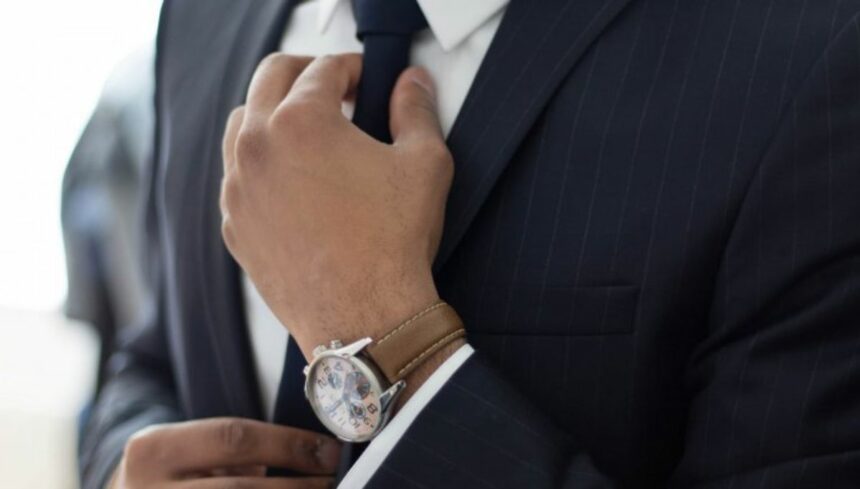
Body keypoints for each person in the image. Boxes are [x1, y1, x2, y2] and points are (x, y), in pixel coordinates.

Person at [80, 0, 860, 488]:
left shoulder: (811, 56)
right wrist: (122, 469)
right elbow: (151, 354)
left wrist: (385, 334)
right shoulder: (198, 15)